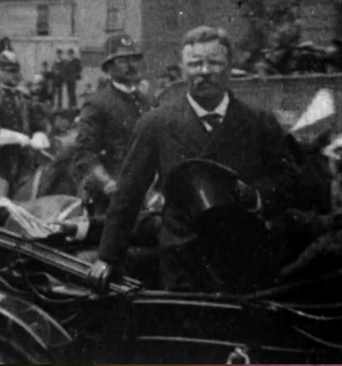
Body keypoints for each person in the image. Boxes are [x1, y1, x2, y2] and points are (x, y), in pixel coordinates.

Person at [89, 25, 305, 292]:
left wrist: (257, 196)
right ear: (183, 69)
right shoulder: (156, 124)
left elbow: (289, 180)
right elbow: (128, 195)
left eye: (214, 63)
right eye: (195, 64)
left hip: (245, 259)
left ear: (229, 67)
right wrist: (107, 257)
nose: (204, 71)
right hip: (184, 262)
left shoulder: (259, 122)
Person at [74, 32, 153, 212]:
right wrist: (108, 184)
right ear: (108, 67)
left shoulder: (146, 102)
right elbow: (84, 153)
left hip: (147, 192)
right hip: (111, 197)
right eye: (123, 60)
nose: (131, 65)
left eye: (133, 59)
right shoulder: (97, 104)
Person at [0, 51, 50, 205]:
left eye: (16, 71)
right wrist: (15, 137)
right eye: (9, 71)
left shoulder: (25, 98)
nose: (14, 75)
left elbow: (37, 124)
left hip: (24, 164)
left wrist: (39, 135)